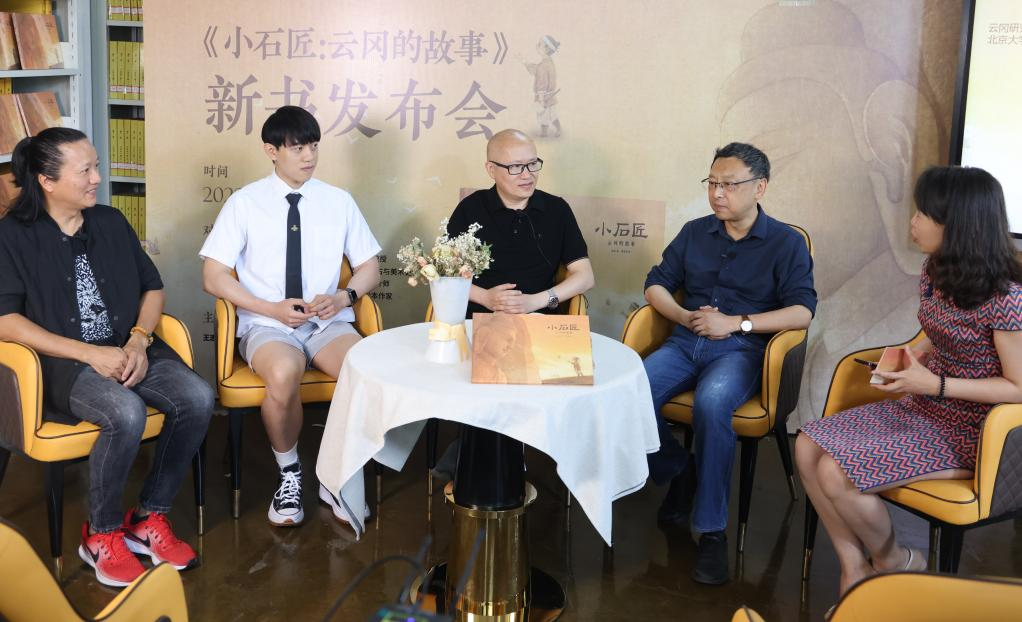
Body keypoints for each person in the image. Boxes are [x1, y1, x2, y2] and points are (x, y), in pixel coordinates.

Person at [797, 166, 1022, 603]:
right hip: (923, 406)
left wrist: (934, 384)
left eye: (923, 214)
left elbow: (1017, 388)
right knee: (806, 446)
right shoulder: (935, 270)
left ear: (958, 224)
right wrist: (911, 356)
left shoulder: (1007, 298)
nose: (912, 222)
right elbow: (934, 332)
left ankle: (894, 561)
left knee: (834, 472)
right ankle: (855, 569)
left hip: (974, 429)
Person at [0, 128, 214, 587]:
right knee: (125, 411)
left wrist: (137, 341)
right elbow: (5, 321)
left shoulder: (110, 221)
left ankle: (149, 517)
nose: (97, 178)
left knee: (197, 397)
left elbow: (153, 288)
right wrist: (89, 353)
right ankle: (101, 533)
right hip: (63, 365)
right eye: (85, 171)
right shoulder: (11, 236)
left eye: (96, 166)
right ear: (47, 181)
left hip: (128, 348)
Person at [642, 142, 816, 584]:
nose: (718, 194)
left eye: (730, 185)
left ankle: (711, 531)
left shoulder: (785, 243)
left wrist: (737, 324)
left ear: (760, 187)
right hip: (686, 341)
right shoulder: (695, 232)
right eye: (712, 183)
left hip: (741, 350)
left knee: (713, 402)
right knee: (631, 390)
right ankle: (679, 468)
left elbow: (802, 312)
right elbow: (656, 284)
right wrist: (683, 315)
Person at [200, 106, 381, 527]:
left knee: (365, 369)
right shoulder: (245, 203)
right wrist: (269, 308)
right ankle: (290, 473)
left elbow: (369, 267)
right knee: (283, 373)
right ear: (271, 151)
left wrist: (344, 296)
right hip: (267, 324)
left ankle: (335, 475)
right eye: (298, 147)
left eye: (314, 146)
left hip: (327, 322)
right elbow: (212, 276)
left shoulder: (338, 201)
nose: (309, 156)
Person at [432, 128, 595, 478]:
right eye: (516, 167)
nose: (527, 175)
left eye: (533, 164)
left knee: (523, 373)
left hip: (540, 324)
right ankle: (486, 457)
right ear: (491, 169)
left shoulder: (556, 209)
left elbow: (584, 276)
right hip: (480, 323)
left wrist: (539, 300)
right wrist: (485, 297)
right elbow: (443, 275)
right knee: (487, 372)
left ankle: (488, 456)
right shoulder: (471, 209)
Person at [523, 36, 562, 138]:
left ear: (547, 49)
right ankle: (556, 129)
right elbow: (535, 69)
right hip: (551, 96)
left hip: (544, 96)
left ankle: (546, 132)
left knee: (543, 115)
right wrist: (525, 62)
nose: (537, 45)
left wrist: (541, 98)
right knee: (552, 115)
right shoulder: (548, 63)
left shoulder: (543, 66)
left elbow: (542, 83)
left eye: (540, 44)